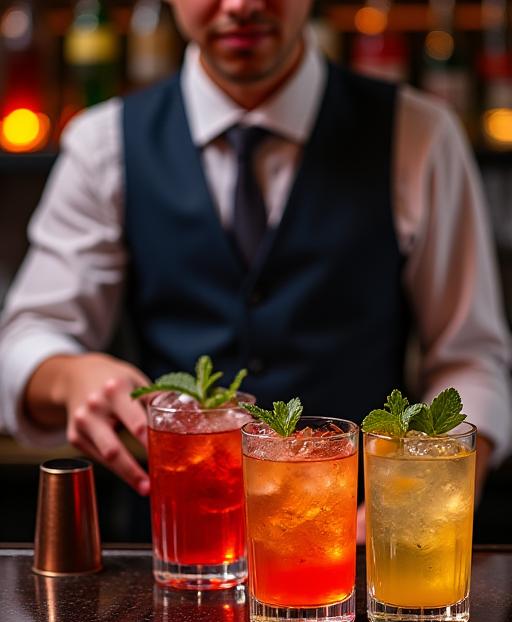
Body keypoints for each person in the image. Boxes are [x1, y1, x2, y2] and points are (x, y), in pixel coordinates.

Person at [0, 0, 510, 528]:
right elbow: (26, 341)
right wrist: (69, 377)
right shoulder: (104, 143)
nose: (241, 5)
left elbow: (470, 356)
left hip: (352, 553)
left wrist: (429, 500)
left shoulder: (419, 135)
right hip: (179, 549)